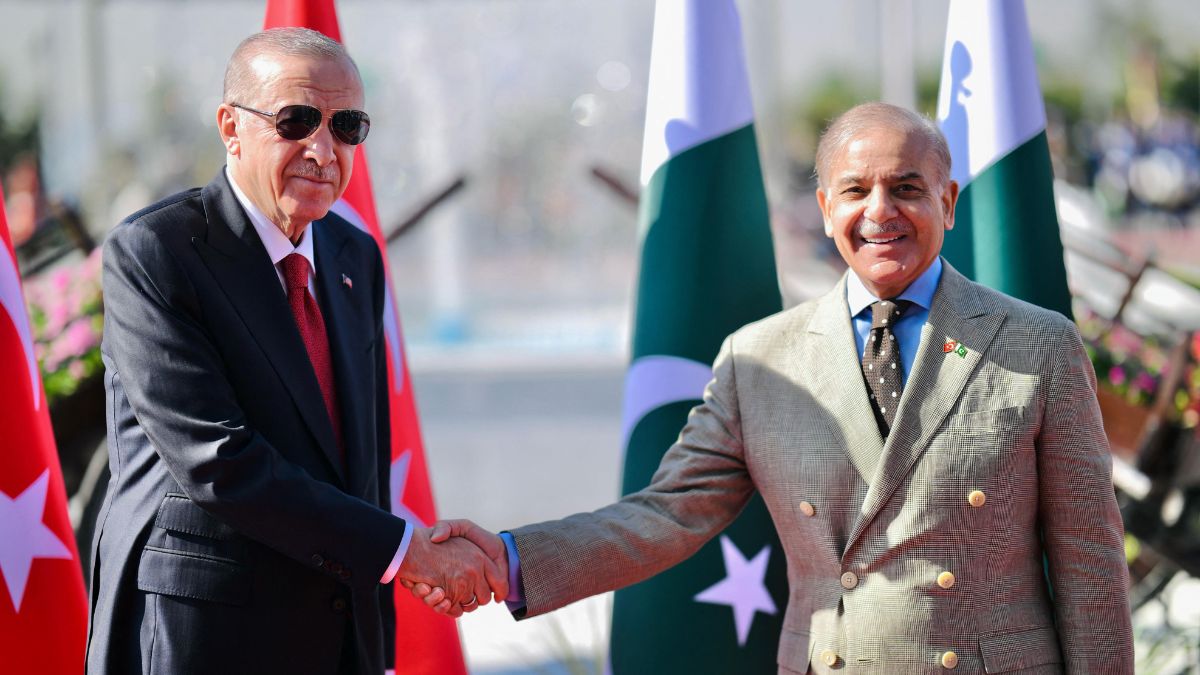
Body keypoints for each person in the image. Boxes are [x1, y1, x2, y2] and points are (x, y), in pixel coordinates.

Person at [413, 103, 1134, 674]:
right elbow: (663, 516)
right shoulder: (761, 358)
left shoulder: (1038, 343)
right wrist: (508, 559)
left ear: (948, 202)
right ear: (824, 208)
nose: (880, 211)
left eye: (907, 188)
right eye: (856, 190)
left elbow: (1091, 564)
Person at [86, 28, 504, 675]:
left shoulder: (351, 253)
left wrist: (377, 632)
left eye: (347, 126)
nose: (322, 148)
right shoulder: (156, 252)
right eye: (296, 120)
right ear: (231, 127)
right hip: (205, 634)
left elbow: (360, 461)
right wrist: (404, 551)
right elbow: (219, 462)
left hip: (337, 633)